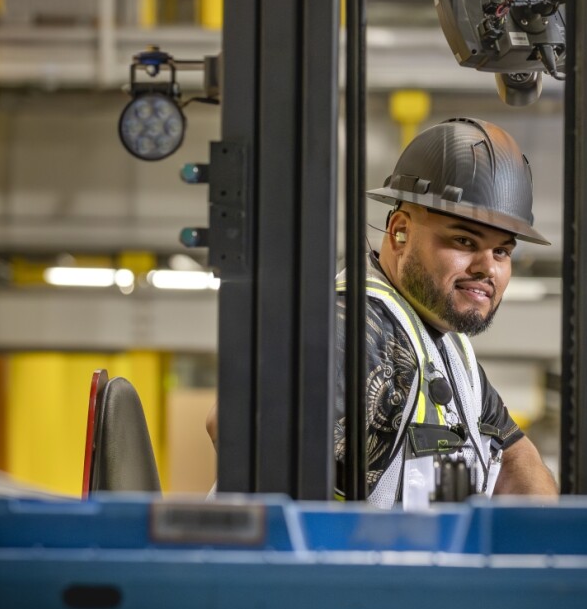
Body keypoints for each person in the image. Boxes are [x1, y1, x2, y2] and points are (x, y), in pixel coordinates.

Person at [209, 117, 557, 507]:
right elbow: (234, 423)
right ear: (399, 232)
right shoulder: (362, 328)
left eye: (502, 252)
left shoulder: (447, 350)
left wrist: (540, 537)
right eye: (463, 240)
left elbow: (514, 456)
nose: (487, 268)